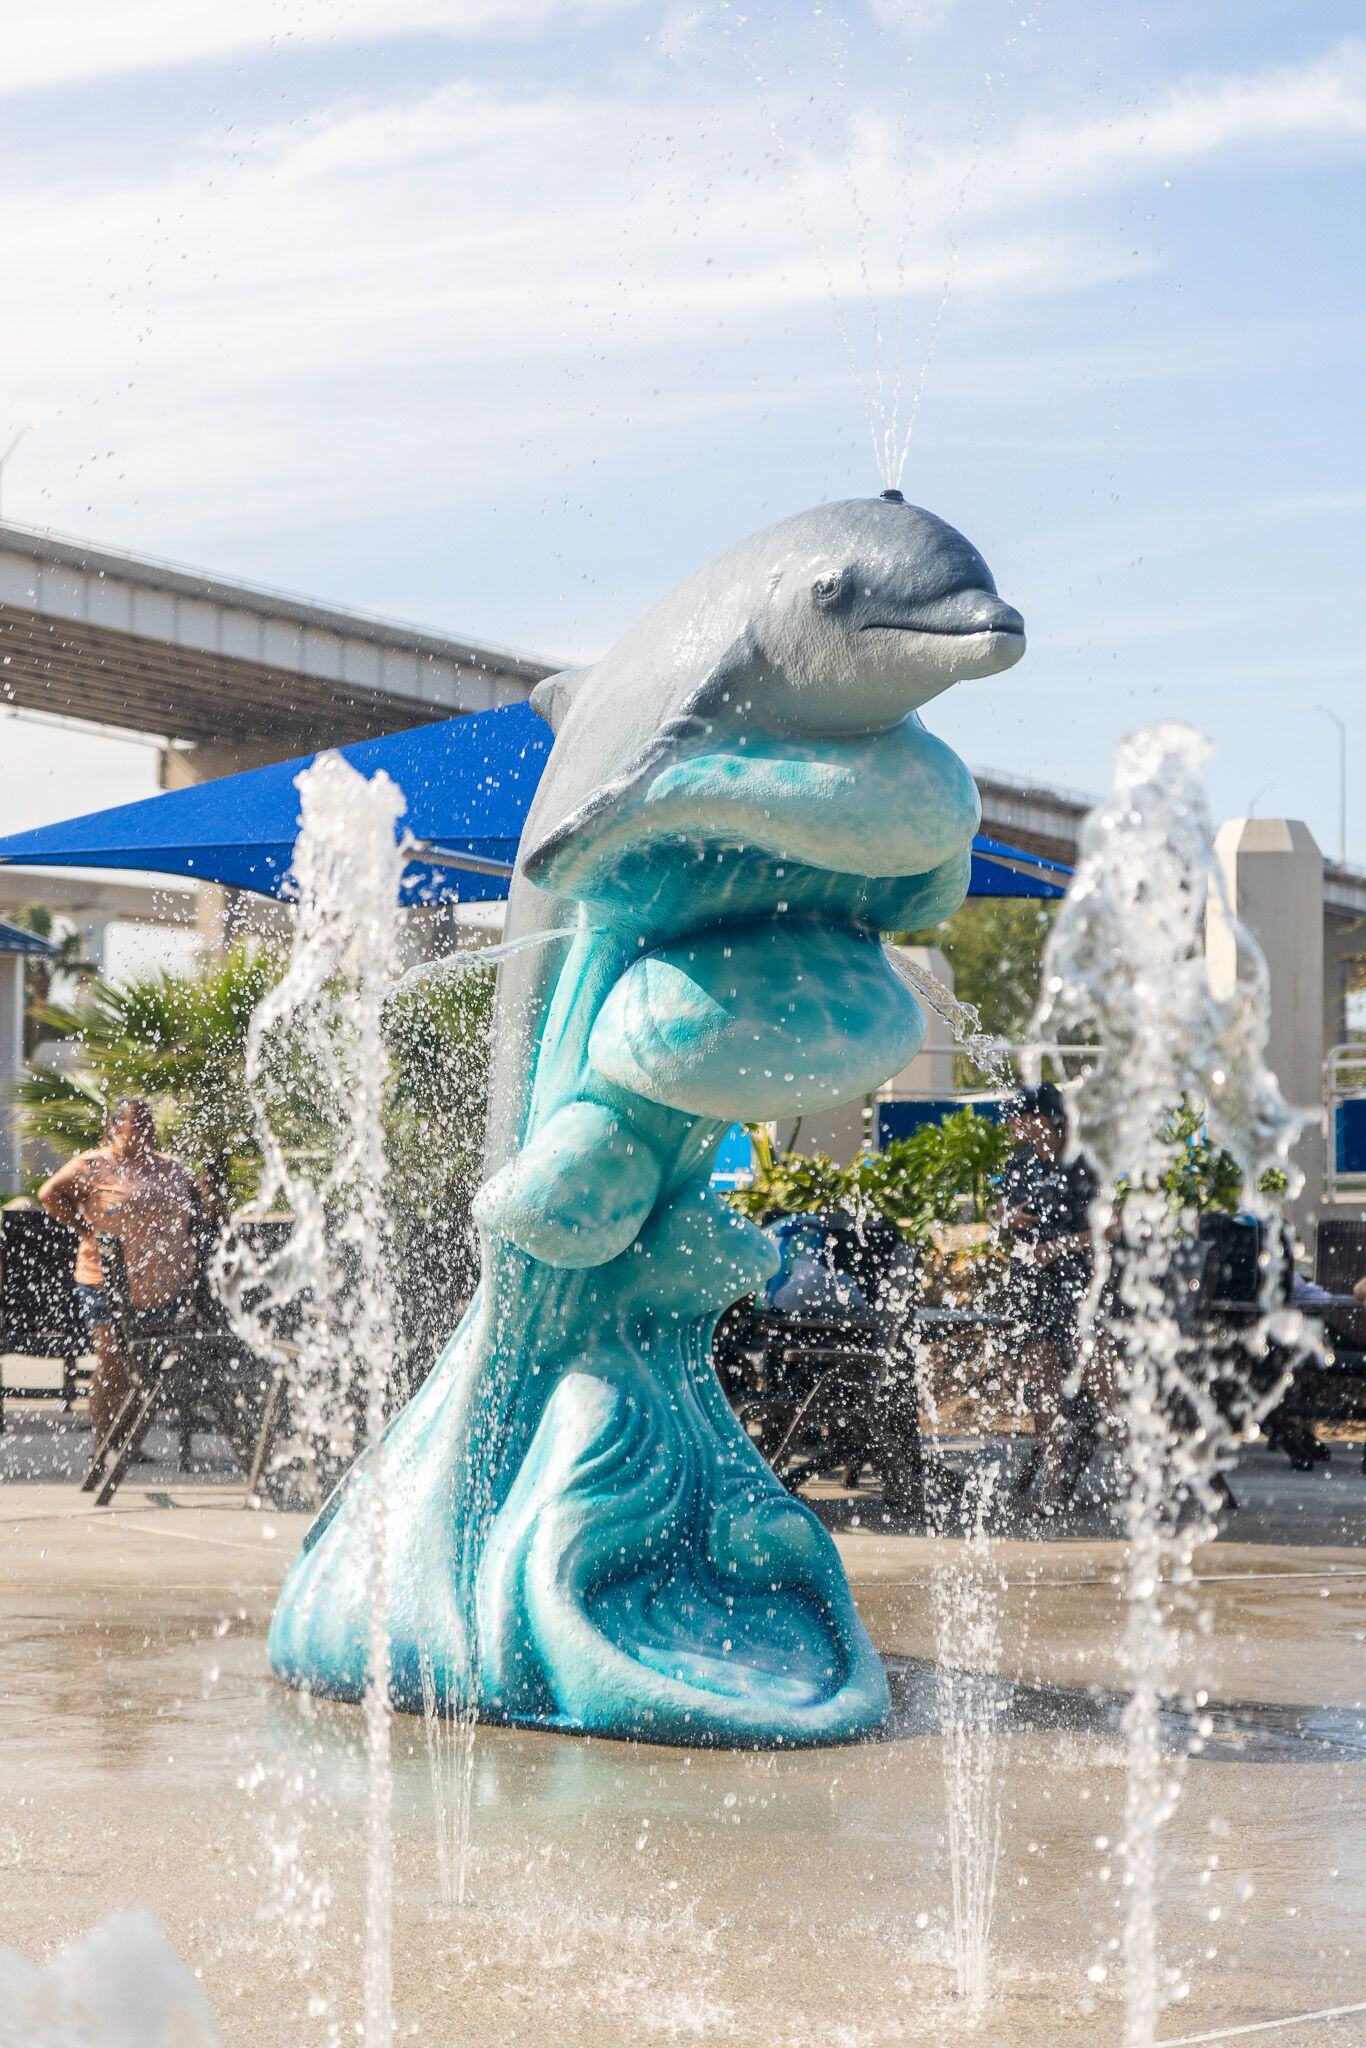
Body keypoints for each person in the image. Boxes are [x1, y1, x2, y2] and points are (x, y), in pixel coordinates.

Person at [39, 1098, 201, 1445]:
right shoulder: (94, 1165)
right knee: (113, 1358)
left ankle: (129, 1443)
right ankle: (104, 1443)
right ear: (116, 1128)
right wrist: (85, 1228)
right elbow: (49, 1193)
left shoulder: (171, 1167)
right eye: (137, 1123)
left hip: (164, 1286)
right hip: (106, 1285)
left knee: (145, 1366)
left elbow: (195, 1211)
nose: (147, 1131)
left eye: (149, 1123)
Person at [996, 1082, 1101, 1514]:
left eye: (1022, 1117)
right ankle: (1052, 1489)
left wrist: (1058, 1247)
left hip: (1080, 1289)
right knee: (1044, 1391)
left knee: (1101, 1384)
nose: (1014, 1125)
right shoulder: (1019, 1163)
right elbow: (998, 1215)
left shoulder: (1083, 1165)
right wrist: (1006, 1220)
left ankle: (1146, 1487)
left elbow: (1110, 1228)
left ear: (1048, 1120)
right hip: (1035, 1289)